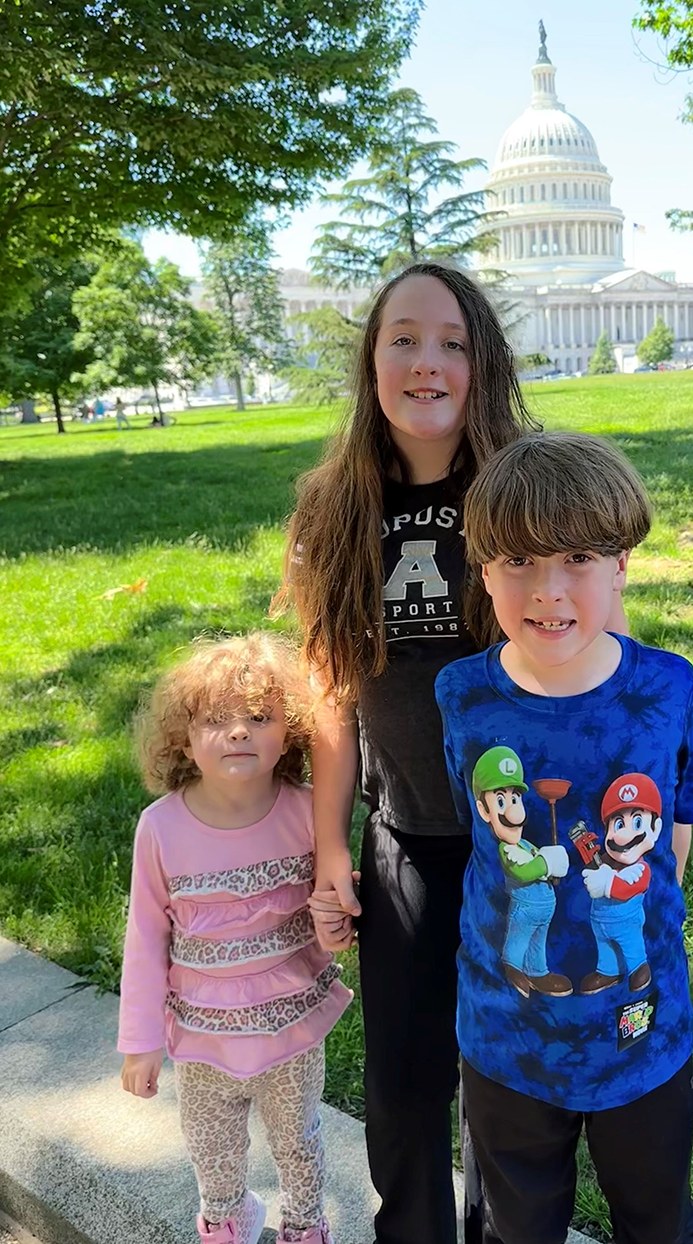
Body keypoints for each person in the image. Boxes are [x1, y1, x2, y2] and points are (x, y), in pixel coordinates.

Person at [275, 262, 541, 1244]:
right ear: (372, 360)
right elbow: (331, 693)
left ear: (482, 363)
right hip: (403, 845)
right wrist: (334, 851)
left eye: (452, 343)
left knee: (504, 1093)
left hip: (520, 846)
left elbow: (590, 655)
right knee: (400, 1090)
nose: (427, 362)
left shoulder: (525, 489)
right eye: (404, 339)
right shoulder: (333, 508)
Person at [434, 431, 693, 1244]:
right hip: (506, 1037)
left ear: (622, 564)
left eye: (580, 557)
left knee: (657, 1221)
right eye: (518, 561)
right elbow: (478, 834)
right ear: (482, 569)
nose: (548, 590)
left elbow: (676, 823)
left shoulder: (665, 686)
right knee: (519, 1229)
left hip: (641, 1033)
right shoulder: (463, 696)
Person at [117, 633, 352, 1244]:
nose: (239, 732)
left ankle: (304, 1226)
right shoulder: (160, 829)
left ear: (291, 732)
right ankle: (226, 1221)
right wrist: (141, 1044)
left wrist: (336, 924)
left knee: (299, 1142)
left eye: (258, 717)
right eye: (216, 721)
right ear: (184, 741)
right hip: (202, 1037)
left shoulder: (307, 812)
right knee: (211, 1150)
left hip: (290, 1030)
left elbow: (329, 922)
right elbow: (144, 939)